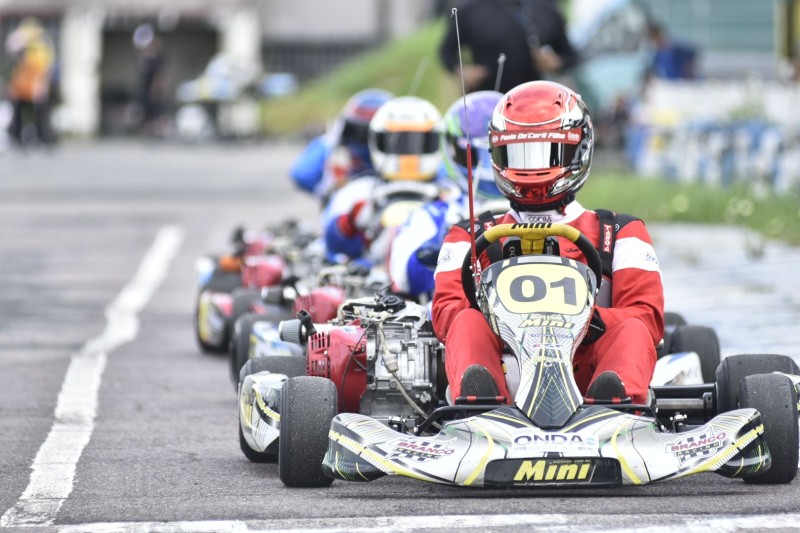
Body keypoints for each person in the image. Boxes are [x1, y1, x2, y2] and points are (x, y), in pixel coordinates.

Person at [431, 80, 664, 405]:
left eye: (546, 153)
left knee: (634, 329)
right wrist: (498, 319)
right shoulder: (469, 233)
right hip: (506, 372)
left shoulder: (620, 232)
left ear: (577, 150)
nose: (532, 169)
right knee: (466, 320)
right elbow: (444, 313)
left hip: (588, 375)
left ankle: (616, 408)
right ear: (498, 154)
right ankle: (479, 407)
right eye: (519, 155)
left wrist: (588, 321)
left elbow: (648, 316)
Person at [388, 90, 507, 301]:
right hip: (457, 317)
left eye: (499, 154)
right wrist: (442, 244)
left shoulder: (546, 214)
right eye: (475, 156)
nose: (489, 167)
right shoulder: (434, 214)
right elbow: (404, 278)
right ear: (454, 152)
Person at [324, 95, 444, 266]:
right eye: (398, 143)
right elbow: (333, 246)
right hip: (374, 279)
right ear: (377, 140)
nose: (407, 151)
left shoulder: (450, 193)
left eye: (418, 142)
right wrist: (350, 222)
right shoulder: (358, 190)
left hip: (433, 277)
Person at [290, 88, 394, 203]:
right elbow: (303, 175)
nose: (368, 140)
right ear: (346, 129)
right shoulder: (340, 157)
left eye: (377, 134)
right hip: (348, 210)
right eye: (362, 132)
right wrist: (331, 139)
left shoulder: (400, 159)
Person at [439, 0, 543, 93]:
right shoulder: (468, 9)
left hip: (531, 94)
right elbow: (447, 51)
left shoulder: (541, 6)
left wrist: (557, 62)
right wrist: (463, 71)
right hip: (488, 96)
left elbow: (558, 45)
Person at [4, 17, 55, 147]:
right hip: (22, 87)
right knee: (19, 114)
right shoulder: (22, 43)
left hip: (33, 86)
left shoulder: (39, 45)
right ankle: (18, 139)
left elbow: (44, 68)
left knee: (40, 114)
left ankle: (43, 138)